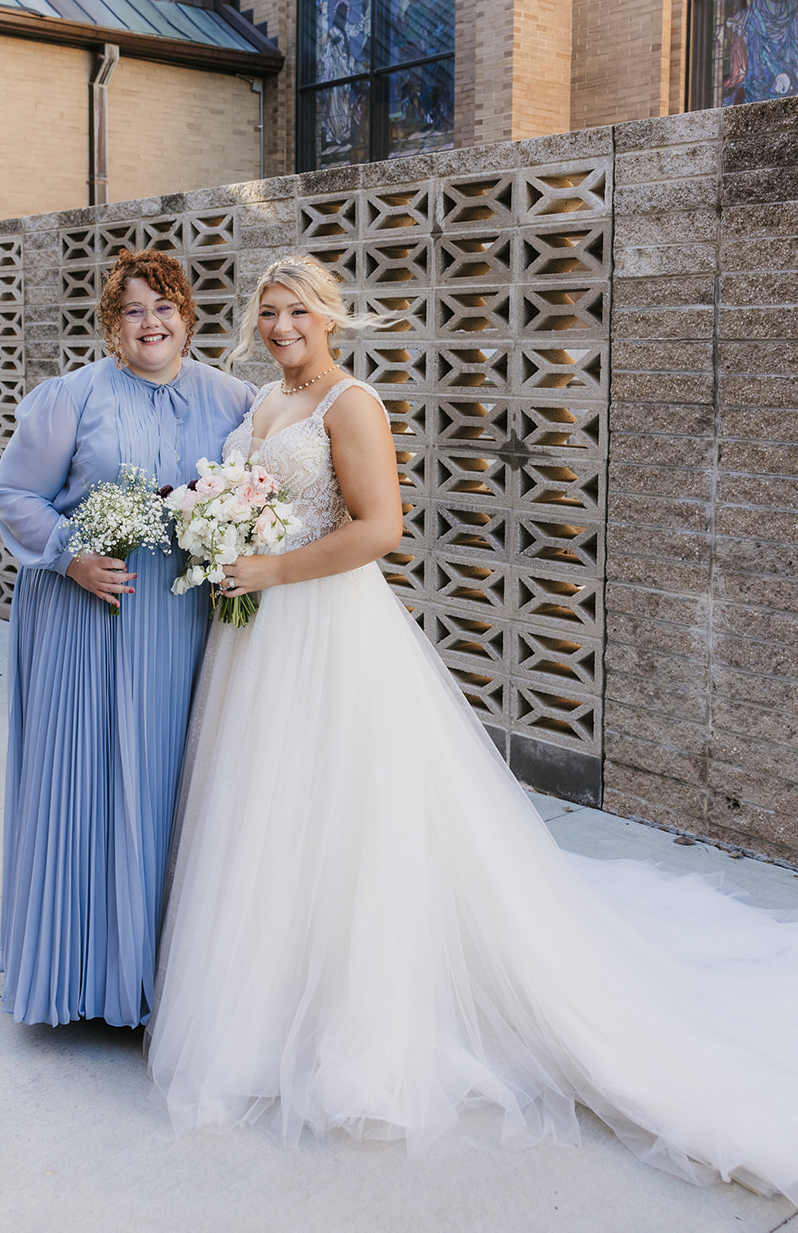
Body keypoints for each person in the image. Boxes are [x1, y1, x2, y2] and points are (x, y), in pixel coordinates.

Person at [147, 255, 798, 1201]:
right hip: (255, 642)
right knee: (271, 810)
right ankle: (270, 997)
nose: (283, 325)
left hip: (324, 627)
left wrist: (272, 572)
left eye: (297, 310)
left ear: (329, 316)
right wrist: (223, 540)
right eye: (269, 311)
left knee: (349, 808)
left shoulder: (349, 403)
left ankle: (361, 1008)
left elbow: (379, 528)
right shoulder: (257, 407)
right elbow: (243, 499)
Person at [0, 249, 254, 1029]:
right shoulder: (67, 398)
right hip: (84, 621)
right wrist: (70, 556)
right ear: (111, 324)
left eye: (164, 307)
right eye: (133, 310)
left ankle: (164, 977)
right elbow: (15, 494)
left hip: (178, 626)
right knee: (86, 785)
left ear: (187, 316)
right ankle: (81, 980)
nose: (151, 323)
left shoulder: (233, 398)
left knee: (170, 788)